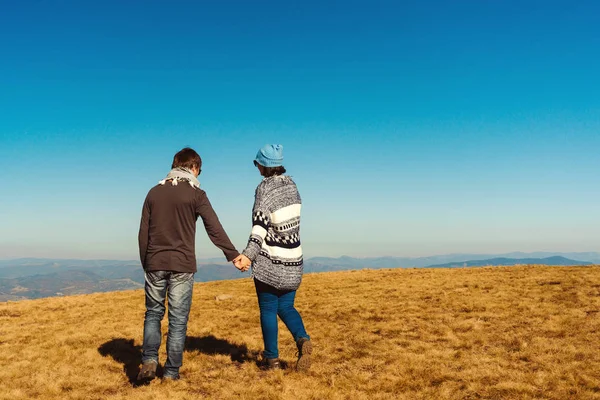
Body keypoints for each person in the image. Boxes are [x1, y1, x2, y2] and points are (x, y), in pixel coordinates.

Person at [137, 147, 243, 382]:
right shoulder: (197, 195)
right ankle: (172, 373)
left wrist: (147, 261)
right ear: (194, 167)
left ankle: (149, 361)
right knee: (178, 320)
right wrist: (233, 254)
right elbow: (213, 227)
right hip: (183, 264)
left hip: (155, 261)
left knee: (153, 314)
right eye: (200, 171)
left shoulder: (153, 192)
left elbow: (143, 232)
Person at [235, 144, 312, 371]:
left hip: (271, 263)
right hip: (294, 261)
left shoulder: (264, 189)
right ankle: (302, 339)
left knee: (268, 309)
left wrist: (248, 255)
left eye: (257, 163)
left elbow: (259, 227)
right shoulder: (293, 187)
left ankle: (272, 360)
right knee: (287, 307)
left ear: (263, 165)